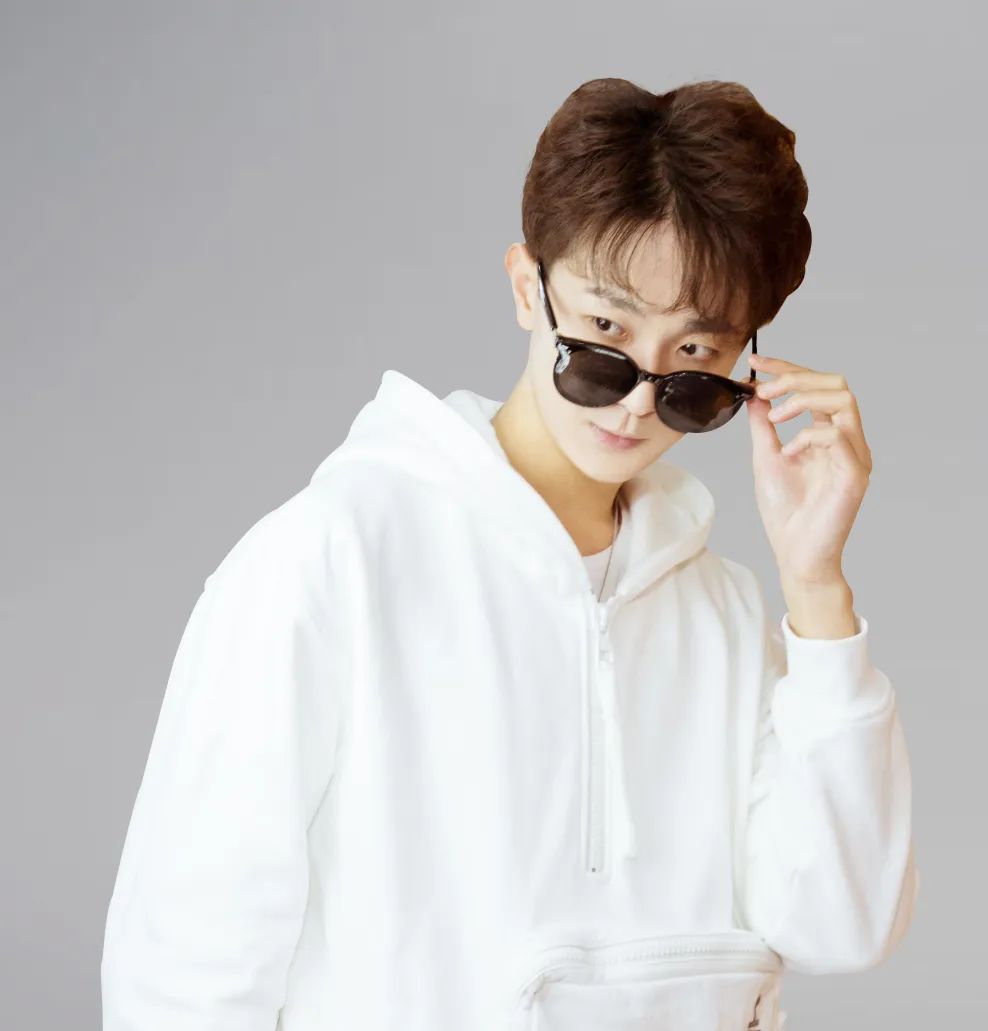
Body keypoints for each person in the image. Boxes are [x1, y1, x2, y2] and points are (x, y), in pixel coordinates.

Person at [100, 77, 919, 1030]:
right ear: (529, 287)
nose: (637, 402)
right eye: (604, 336)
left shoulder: (728, 612)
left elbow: (841, 926)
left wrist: (816, 587)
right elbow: (184, 971)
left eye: (693, 365)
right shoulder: (330, 561)